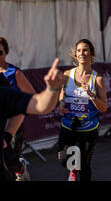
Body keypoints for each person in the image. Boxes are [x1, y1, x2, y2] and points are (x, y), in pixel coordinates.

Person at [1, 58, 65, 181]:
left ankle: (20, 170)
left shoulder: (4, 82)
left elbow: (39, 105)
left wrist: (52, 89)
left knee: (11, 158)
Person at [56, 39, 107, 181]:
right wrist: (61, 104)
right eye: (79, 50)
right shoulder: (67, 75)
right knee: (63, 159)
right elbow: (62, 94)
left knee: (85, 165)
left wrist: (91, 95)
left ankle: (76, 170)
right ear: (75, 54)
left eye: (85, 50)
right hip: (68, 124)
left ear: (91, 53)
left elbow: (103, 107)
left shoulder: (98, 79)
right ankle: (73, 167)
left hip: (88, 128)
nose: (81, 53)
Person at [0, 37, 35, 180]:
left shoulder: (14, 73)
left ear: (6, 53)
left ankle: (20, 170)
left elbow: (31, 96)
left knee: (10, 157)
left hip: (12, 121)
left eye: (0, 52)